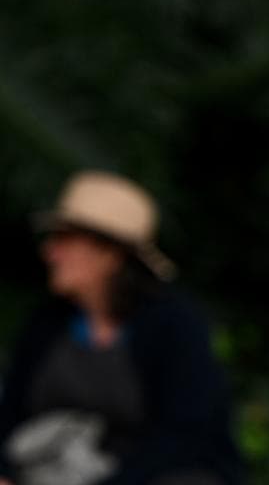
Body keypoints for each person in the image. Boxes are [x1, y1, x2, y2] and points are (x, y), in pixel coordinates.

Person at [0, 171, 242, 485]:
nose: (50, 253)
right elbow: (10, 411)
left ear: (109, 254)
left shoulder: (174, 327)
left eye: (64, 240)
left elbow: (185, 436)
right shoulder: (48, 322)